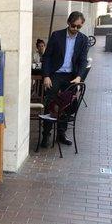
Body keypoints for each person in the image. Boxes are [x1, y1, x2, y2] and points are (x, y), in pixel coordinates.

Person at [40, 11, 89, 147]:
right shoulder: (57, 35)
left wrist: (79, 77)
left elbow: (83, 61)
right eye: (74, 26)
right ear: (68, 22)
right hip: (55, 75)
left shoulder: (83, 40)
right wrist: (46, 76)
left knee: (67, 106)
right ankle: (46, 135)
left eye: (79, 27)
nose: (76, 29)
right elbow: (47, 57)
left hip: (71, 77)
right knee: (50, 105)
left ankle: (61, 134)